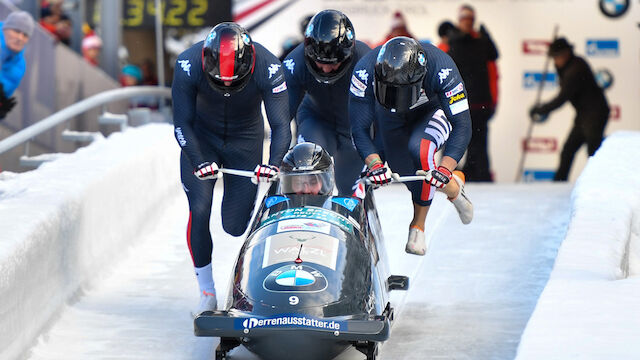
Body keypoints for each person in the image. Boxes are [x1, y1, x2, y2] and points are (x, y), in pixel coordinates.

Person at [172, 22, 291, 316]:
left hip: (244, 141)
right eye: (219, 80)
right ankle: (207, 292)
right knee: (199, 209)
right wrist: (198, 160)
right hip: (201, 138)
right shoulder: (187, 64)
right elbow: (181, 123)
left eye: (233, 80)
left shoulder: (269, 67)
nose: (226, 84)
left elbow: (280, 125)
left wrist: (273, 163)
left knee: (234, 226)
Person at [349, 36, 473, 256]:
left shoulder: (442, 69)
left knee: (421, 151)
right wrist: (376, 164)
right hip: (389, 116)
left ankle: (418, 225)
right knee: (406, 171)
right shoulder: (364, 71)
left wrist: (445, 168)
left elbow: (462, 126)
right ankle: (454, 187)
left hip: (431, 112)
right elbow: (358, 128)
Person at [283, 9, 370, 195]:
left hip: (354, 128)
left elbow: (381, 114)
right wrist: (274, 160)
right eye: (319, 62)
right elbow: (282, 119)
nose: (326, 69)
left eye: (333, 63)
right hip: (317, 120)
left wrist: (378, 158)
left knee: (350, 190)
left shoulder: (365, 60)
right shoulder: (294, 63)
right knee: (307, 174)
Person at [529, 37, 609, 181]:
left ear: (565, 54)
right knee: (568, 151)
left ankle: (600, 183)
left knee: (594, 152)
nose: (554, 61)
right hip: (584, 115)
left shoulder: (575, 70)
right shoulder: (571, 65)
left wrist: (541, 109)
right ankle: (559, 183)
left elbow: (562, 98)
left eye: (556, 57)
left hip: (594, 114)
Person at [447, 4, 499, 182]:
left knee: (479, 142)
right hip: (462, 102)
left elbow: (494, 54)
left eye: (470, 20)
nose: (468, 23)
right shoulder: (454, 43)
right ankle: (449, 176)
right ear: (459, 21)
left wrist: (487, 36)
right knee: (459, 141)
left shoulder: (481, 42)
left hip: (481, 102)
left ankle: (479, 176)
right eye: (465, 20)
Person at [0, 11, 35, 119]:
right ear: (5, 29)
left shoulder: (20, 67)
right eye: (16, 31)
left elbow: (5, 95)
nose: (20, 37)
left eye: (25, 35)